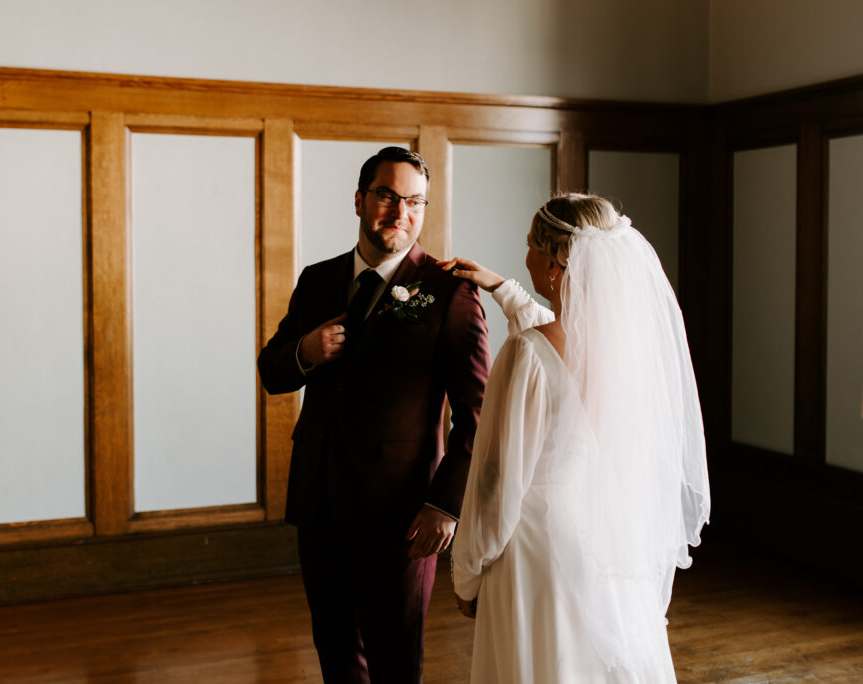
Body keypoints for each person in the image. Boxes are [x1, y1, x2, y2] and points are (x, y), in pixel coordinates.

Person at [443, 193, 710, 683]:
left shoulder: (525, 353)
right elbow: (556, 344)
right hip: (606, 546)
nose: (524, 253)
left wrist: (467, 573)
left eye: (529, 245)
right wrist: (503, 288)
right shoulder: (631, 352)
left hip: (534, 557)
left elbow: (497, 483)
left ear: (551, 264)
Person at [257, 147, 491, 683]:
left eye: (415, 202)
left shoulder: (449, 291)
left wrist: (444, 505)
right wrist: (304, 353)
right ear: (360, 200)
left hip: (403, 512)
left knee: (394, 656)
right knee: (333, 647)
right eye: (387, 196)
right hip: (319, 499)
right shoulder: (318, 280)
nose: (400, 212)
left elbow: (478, 415)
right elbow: (273, 372)